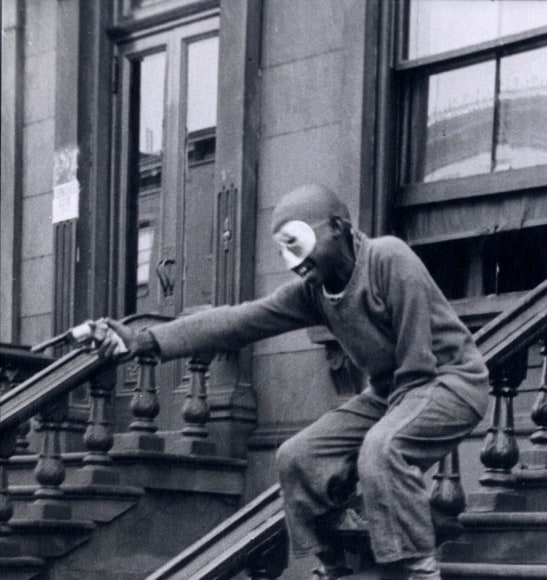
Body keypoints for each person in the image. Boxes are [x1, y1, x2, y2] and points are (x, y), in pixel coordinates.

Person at [97, 183, 489, 580]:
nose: (291, 261)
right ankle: (335, 564)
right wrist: (144, 340)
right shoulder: (314, 292)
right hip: (392, 394)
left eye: (295, 243)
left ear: (337, 227)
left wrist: (377, 475)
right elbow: (239, 320)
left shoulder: (389, 258)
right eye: (281, 250)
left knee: (381, 447)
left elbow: (418, 365)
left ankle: (418, 571)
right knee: (297, 455)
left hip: (450, 382)